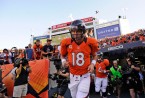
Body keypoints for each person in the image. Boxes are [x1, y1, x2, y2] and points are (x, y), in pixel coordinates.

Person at [60, 19, 99, 98]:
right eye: (73, 31)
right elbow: (62, 55)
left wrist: (92, 64)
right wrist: (63, 61)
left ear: (83, 31)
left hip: (85, 76)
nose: (75, 34)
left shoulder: (91, 42)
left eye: (77, 31)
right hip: (72, 76)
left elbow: (95, 55)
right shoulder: (66, 42)